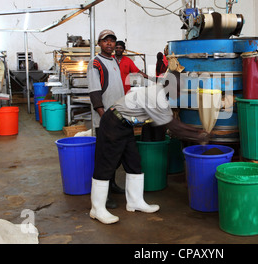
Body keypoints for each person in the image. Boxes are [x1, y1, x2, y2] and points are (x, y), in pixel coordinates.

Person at [90, 70, 209, 224]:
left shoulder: (161, 96)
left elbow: (172, 122)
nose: (181, 93)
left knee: (134, 162)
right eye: (179, 89)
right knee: (107, 164)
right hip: (113, 123)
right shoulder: (157, 97)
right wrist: (198, 135)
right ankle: (97, 209)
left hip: (125, 125)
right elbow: (174, 127)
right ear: (170, 85)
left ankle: (135, 202)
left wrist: (197, 132)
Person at [87, 29, 125, 207]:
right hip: (105, 118)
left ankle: (112, 183)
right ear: (99, 43)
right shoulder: (95, 62)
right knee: (105, 156)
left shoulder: (114, 61)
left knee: (116, 153)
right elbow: (95, 91)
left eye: (112, 41)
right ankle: (104, 195)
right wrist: (104, 116)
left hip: (117, 115)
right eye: (105, 41)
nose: (109, 44)